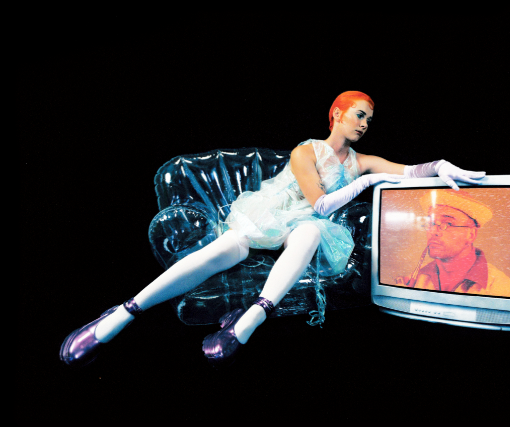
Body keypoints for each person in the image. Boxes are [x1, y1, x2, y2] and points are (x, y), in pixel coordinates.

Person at [60, 91, 486, 368]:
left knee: (312, 232)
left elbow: (409, 171)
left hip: (303, 228)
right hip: (267, 218)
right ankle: (120, 314)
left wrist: (440, 166)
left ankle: (248, 321)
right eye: (359, 115)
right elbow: (321, 203)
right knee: (226, 248)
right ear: (337, 114)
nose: (364, 124)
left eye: (369, 120)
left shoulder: (362, 161)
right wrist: (371, 181)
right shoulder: (306, 151)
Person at [395, 189, 510, 297]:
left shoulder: (501, 289)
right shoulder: (414, 279)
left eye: (448, 223)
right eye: (431, 223)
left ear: (471, 234)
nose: (433, 231)